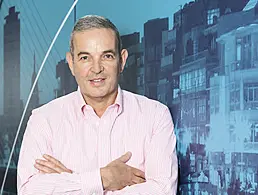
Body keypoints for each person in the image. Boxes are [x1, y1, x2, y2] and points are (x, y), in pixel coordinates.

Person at [17, 15, 178, 195]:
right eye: (85, 58)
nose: (96, 68)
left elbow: (162, 191)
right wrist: (103, 178)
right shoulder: (43, 120)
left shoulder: (155, 116)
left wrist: (73, 181)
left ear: (122, 60)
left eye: (107, 56)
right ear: (71, 63)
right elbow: (29, 190)